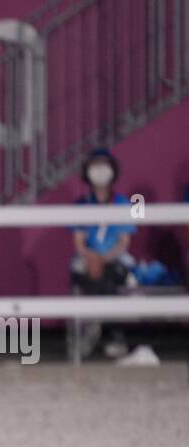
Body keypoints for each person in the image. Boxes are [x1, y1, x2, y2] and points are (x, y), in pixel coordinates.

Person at [67, 147, 156, 364]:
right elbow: (78, 243)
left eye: (104, 165)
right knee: (81, 270)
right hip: (88, 259)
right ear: (86, 171)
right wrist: (92, 257)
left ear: (113, 171)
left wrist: (104, 259)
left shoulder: (124, 202)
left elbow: (125, 241)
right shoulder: (80, 205)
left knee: (112, 273)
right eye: (94, 166)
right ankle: (114, 334)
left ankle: (99, 324)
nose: (99, 171)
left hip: (115, 258)